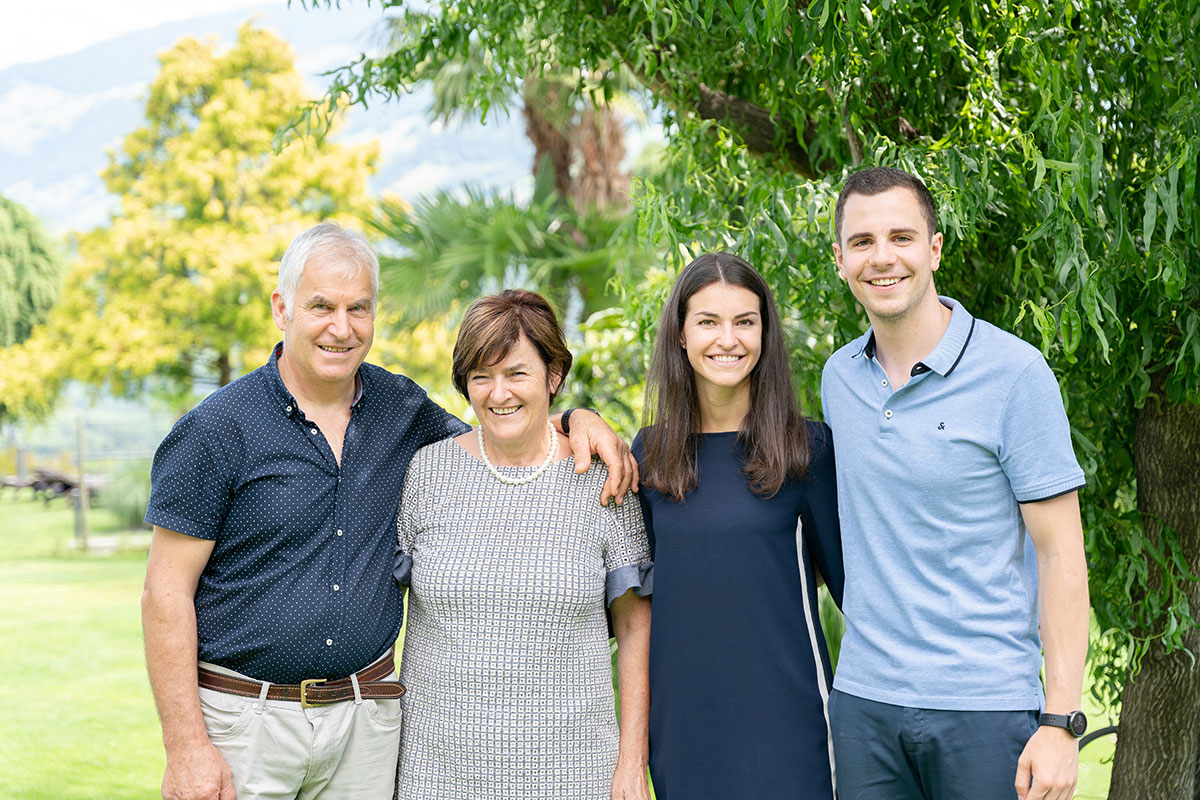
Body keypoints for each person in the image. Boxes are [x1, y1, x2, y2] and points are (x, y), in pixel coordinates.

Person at [141, 223, 636, 800]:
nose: (341, 327)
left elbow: (500, 430)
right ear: (282, 308)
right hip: (246, 725)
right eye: (321, 306)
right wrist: (185, 748)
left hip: (366, 728)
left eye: (359, 308)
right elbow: (163, 595)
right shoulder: (217, 429)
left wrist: (578, 419)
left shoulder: (402, 412)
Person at [822, 166, 1090, 800]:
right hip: (865, 705)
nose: (882, 258)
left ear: (934, 248)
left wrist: (1061, 722)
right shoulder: (839, 379)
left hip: (987, 709)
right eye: (861, 242)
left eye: (901, 237)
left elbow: (1061, 556)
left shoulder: (1015, 374)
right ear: (839, 259)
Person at [394, 289, 652, 800]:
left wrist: (631, 762)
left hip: (573, 775)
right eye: (481, 376)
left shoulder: (602, 479)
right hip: (437, 774)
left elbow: (635, 627)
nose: (498, 393)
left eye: (517, 373)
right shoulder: (427, 473)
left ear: (553, 376)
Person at [631, 253, 843, 800]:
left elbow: (850, 589)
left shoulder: (807, 449)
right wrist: (572, 417)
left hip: (789, 725)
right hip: (683, 729)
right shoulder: (650, 454)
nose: (728, 339)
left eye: (745, 322)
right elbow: (646, 598)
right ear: (680, 334)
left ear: (765, 334)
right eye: (708, 322)